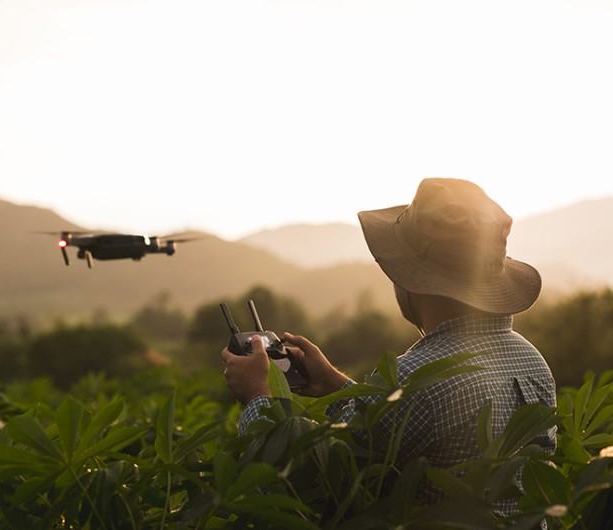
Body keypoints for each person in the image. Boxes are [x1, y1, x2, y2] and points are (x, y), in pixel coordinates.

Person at [221, 177, 557, 513]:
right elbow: (392, 433)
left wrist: (256, 397)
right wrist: (337, 387)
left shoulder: (416, 378)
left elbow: (310, 488)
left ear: (411, 280)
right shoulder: (531, 359)